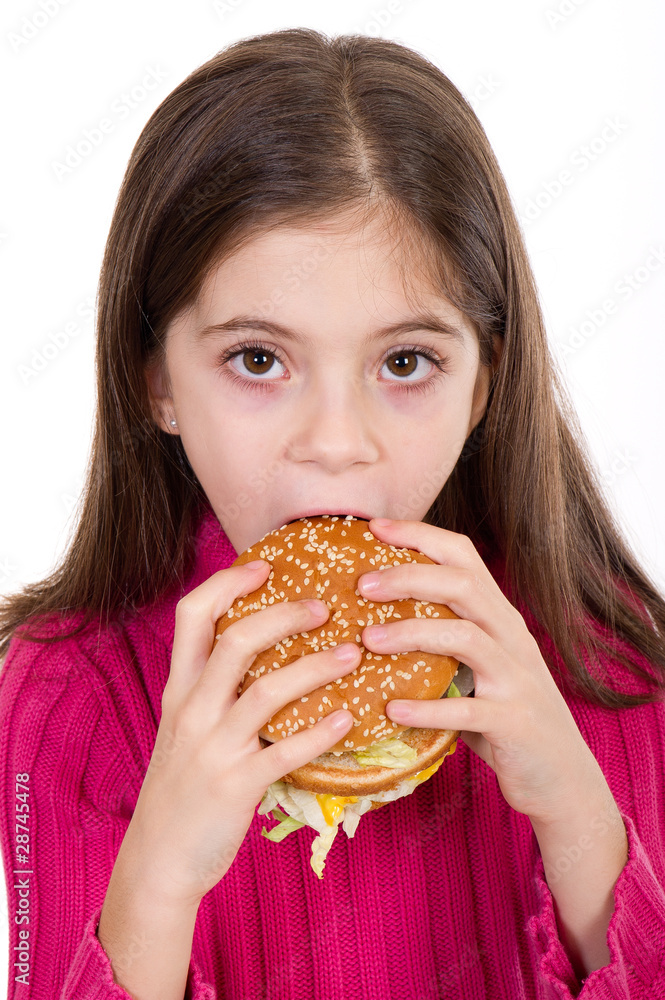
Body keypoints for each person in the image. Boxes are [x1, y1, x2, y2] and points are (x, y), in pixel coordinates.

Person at [1, 26, 664, 1000]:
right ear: (156, 381)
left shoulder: (606, 656)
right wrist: (156, 885)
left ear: (482, 383)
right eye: (257, 359)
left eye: (404, 362)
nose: (336, 441)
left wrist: (577, 820)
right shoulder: (64, 692)